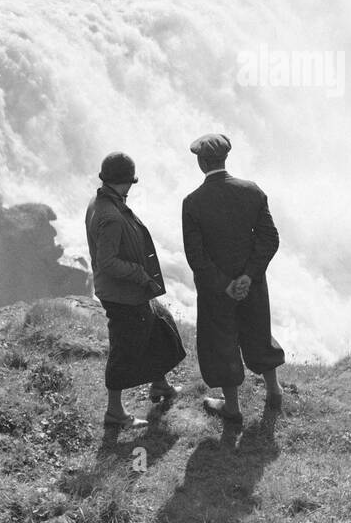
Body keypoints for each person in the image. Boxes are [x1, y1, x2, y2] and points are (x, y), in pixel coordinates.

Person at [181, 133, 285, 425]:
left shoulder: (193, 203)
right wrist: (248, 276)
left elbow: (196, 255)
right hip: (251, 284)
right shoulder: (252, 191)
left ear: (201, 163)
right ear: (225, 159)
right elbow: (269, 239)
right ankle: (274, 390)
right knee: (258, 332)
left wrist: (224, 283)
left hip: (217, 291)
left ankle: (232, 407)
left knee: (222, 340)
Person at [85, 151, 185, 430]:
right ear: (127, 182)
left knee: (158, 326)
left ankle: (160, 385)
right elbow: (107, 262)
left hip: (126, 292)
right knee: (124, 349)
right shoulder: (111, 215)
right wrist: (140, 274)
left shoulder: (100, 201)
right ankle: (115, 412)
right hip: (122, 294)